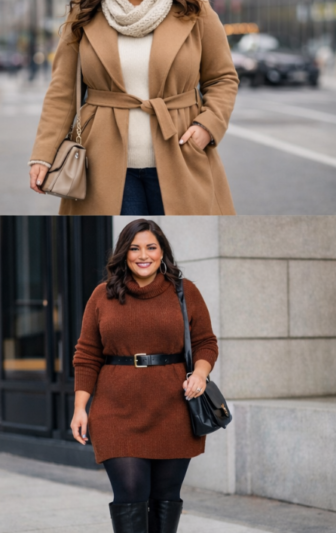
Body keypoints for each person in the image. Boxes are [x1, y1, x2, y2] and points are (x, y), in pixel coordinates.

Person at [29, 0, 239, 215]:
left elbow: (222, 79)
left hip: (182, 152)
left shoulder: (195, 11)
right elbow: (63, 90)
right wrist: (43, 154)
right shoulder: (85, 13)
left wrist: (207, 126)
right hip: (102, 160)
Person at [71, 219, 219, 533]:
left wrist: (201, 374)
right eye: (135, 247)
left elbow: (206, 341)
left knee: (166, 495)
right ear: (123, 253)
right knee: (129, 493)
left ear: (162, 251)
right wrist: (80, 408)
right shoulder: (102, 295)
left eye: (151, 247)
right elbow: (86, 354)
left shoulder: (184, 291)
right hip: (115, 412)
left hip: (174, 410)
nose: (143, 255)